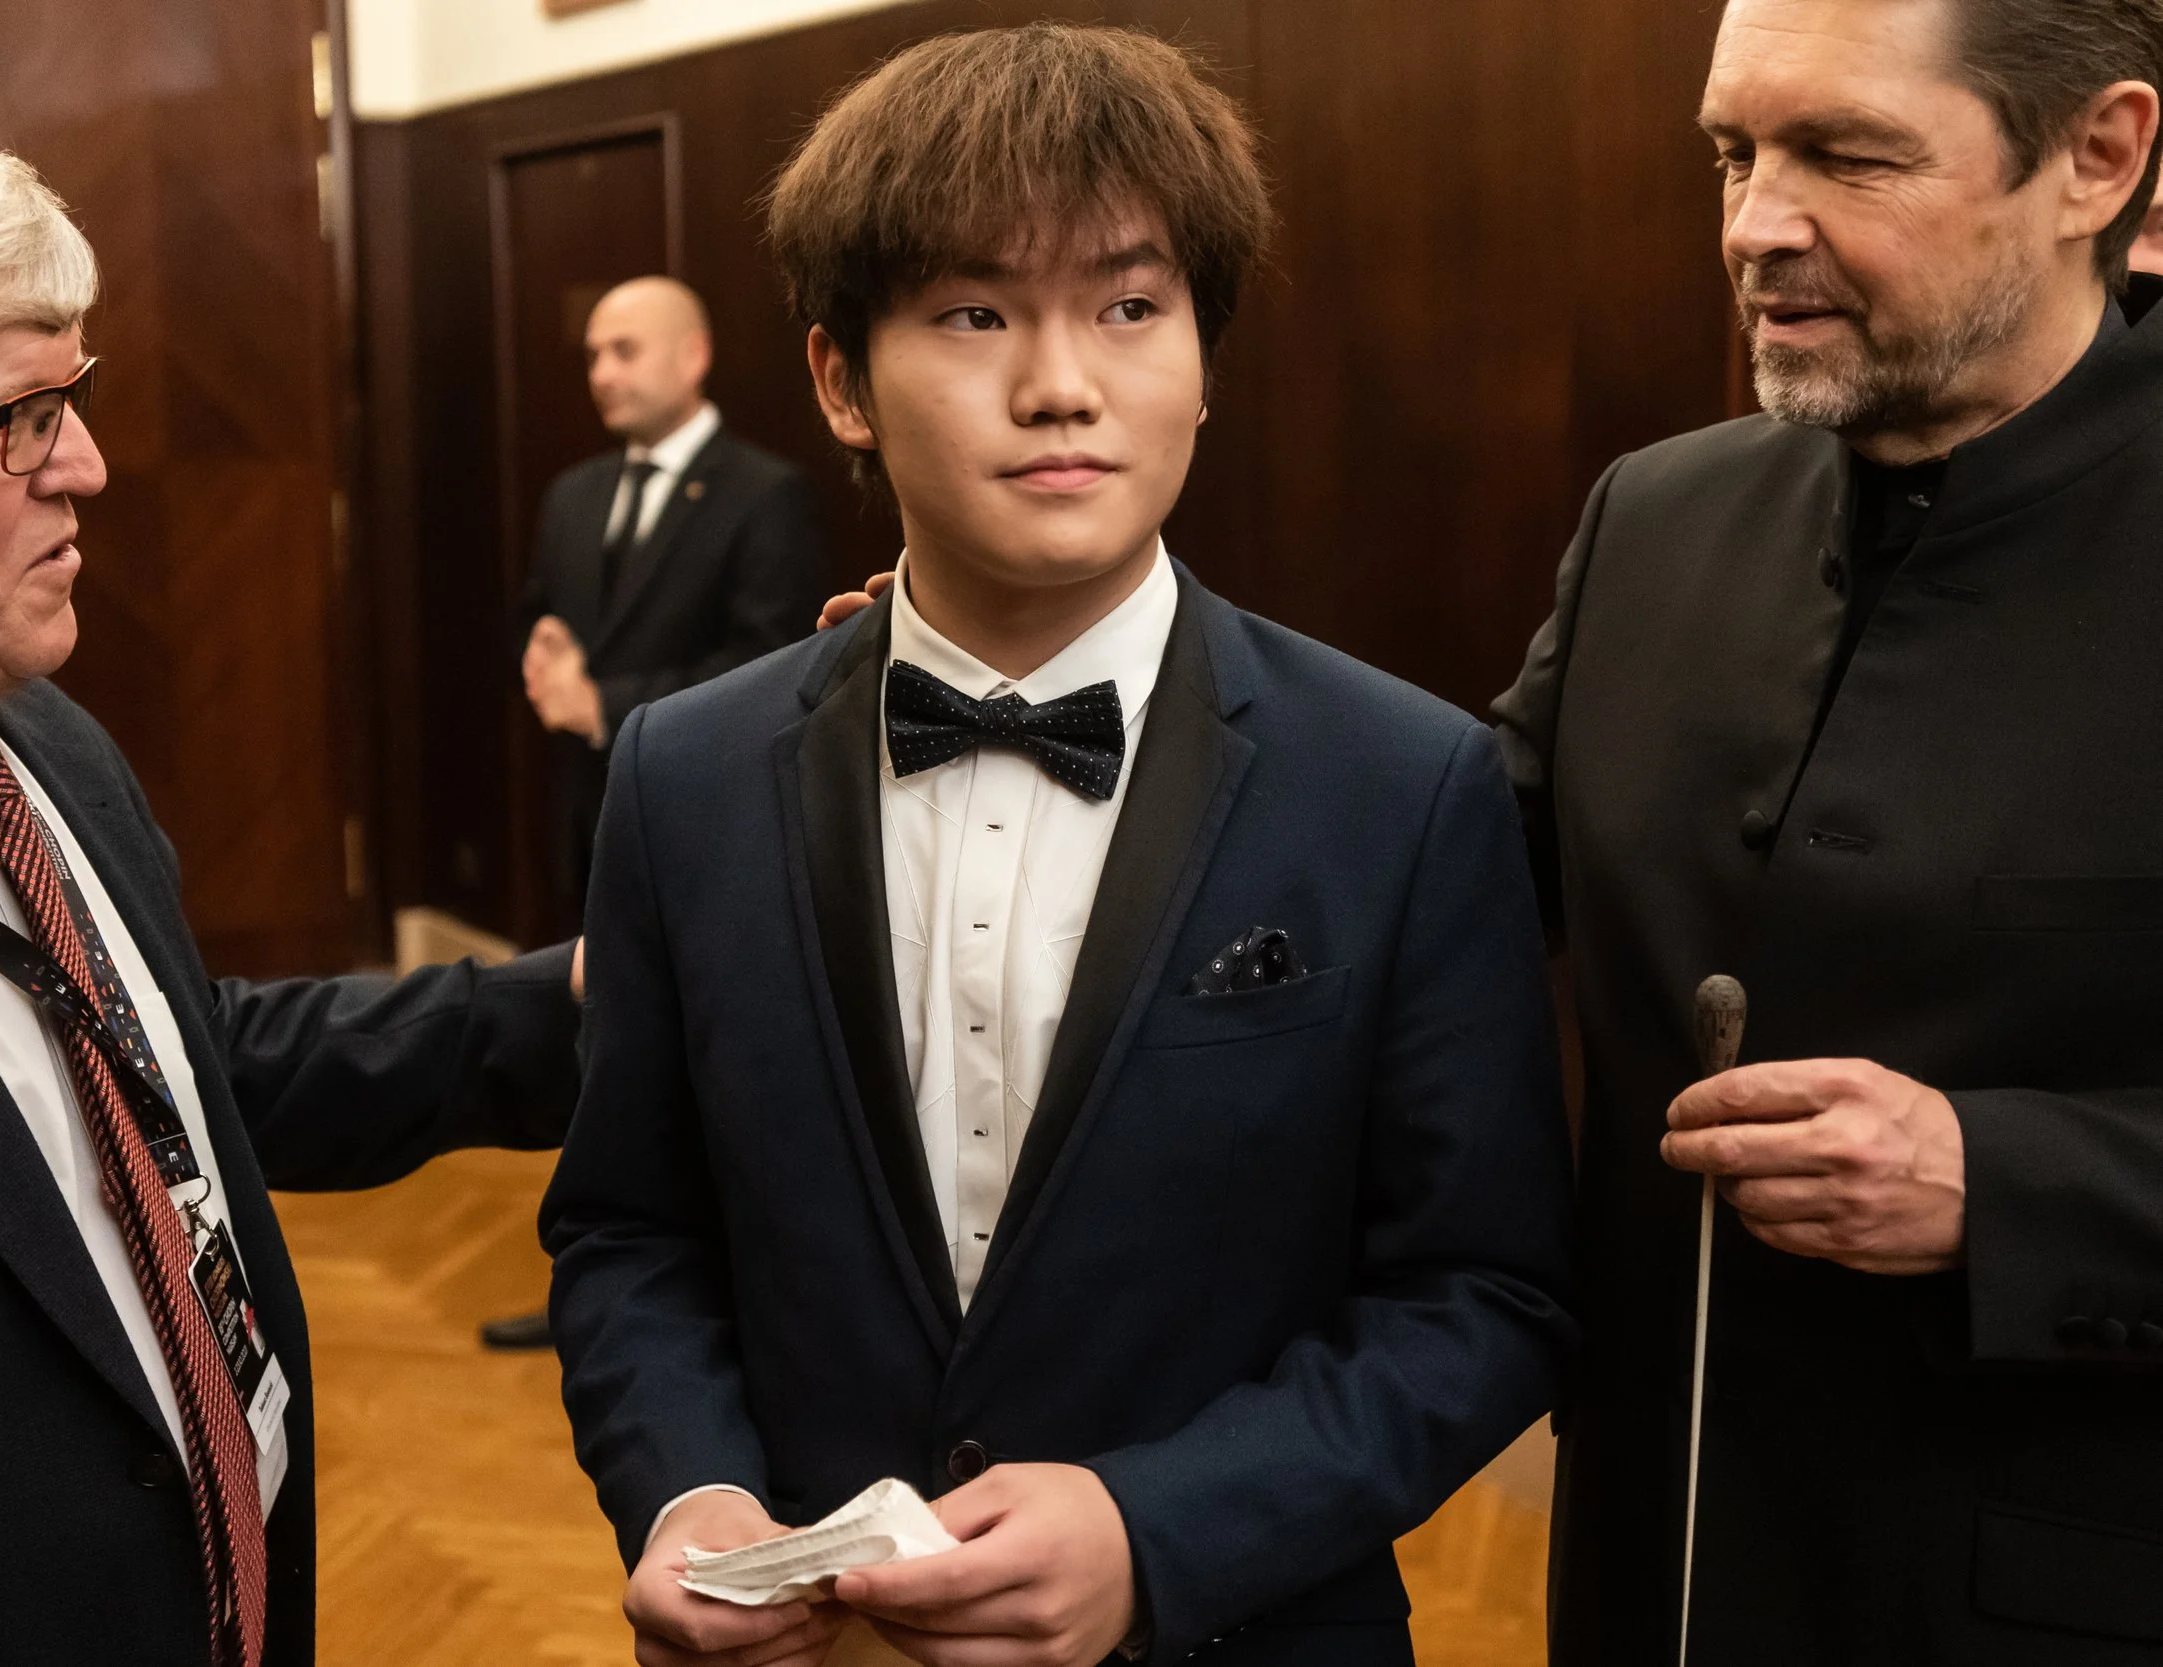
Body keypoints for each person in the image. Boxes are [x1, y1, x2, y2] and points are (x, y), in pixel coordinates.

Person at [541, 25, 1575, 1667]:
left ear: (1204, 358)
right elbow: (631, 1233)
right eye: (974, 313)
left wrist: (1159, 1530)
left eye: (1130, 306)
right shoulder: (686, 774)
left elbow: (1486, 1295)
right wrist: (689, 1489)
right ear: (839, 380)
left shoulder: (1401, 777)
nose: (1061, 384)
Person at [0, 113, 582, 1666]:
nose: (86, 465)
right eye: (17, 415)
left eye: (72, 398)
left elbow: (160, 1074)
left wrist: (581, 1000)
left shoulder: (27, 734)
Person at [1489, 0, 2163, 1659]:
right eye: (1734, 154)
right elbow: (1420, 866)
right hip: (1656, 1572)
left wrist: (2005, 1181)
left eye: (1847, 156)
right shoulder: (1657, 512)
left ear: (2097, 158)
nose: (1755, 225)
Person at [515, 274, 826, 913]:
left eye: (624, 351)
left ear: (693, 356)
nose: (601, 374)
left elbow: (771, 666)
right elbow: (537, 616)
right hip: (584, 819)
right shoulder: (572, 494)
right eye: (593, 356)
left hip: (704, 816)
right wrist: (539, 652)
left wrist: (603, 705)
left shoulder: (764, 494)